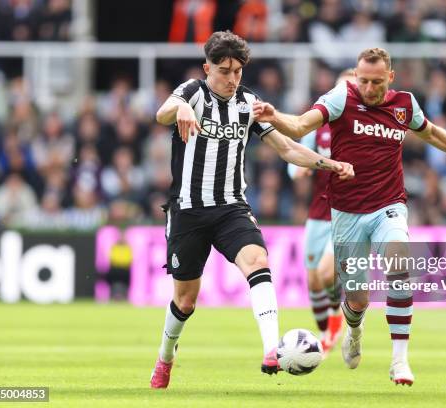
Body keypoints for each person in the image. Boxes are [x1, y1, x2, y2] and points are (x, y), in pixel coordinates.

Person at [253, 47, 446, 386]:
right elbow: (300, 125)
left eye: (376, 82)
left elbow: (432, 133)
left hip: (389, 205)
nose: (368, 87)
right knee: (357, 298)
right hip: (346, 212)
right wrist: (274, 116)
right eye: (363, 80)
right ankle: (353, 330)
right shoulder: (342, 97)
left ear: (390, 78)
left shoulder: (404, 105)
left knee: (398, 264)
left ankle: (399, 361)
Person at [150, 31, 354, 389]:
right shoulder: (192, 92)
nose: (232, 79)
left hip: (232, 207)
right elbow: (161, 113)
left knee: (258, 262)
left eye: (238, 71)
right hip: (189, 211)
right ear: (207, 68)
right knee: (185, 300)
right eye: (224, 71)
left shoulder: (248, 103)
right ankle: (165, 357)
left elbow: (288, 149)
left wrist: (329, 164)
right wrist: (180, 106)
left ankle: (271, 350)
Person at [287, 68, 355, 354]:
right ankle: (325, 333)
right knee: (314, 279)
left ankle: (335, 322)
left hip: (346, 212)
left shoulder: (360, 131)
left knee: (328, 273)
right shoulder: (320, 127)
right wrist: (300, 169)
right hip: (317, 211)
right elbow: (295, 162)